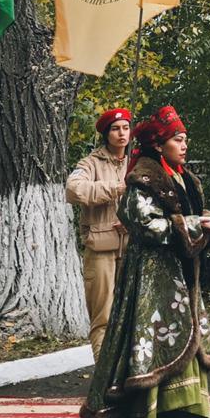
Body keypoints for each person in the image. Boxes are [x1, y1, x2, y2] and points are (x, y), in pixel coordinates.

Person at [81, 106, 210, 418]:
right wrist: (194, 224)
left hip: (180, 271)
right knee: (151, 339)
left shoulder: (184, 176)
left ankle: (173, 416)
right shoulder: (141, 178)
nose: (184, 144)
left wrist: (206, 222)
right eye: (178, 139)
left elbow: (184, 216)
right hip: (150, 273)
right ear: (159, 146)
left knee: (180, 335)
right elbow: (145, 225)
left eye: (185, 139)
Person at [66, 107, 132, 357]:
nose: (121, 133)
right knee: (103, 316)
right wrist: (115, 188)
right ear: (106, 133)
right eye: (115, 129)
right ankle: (104, 375)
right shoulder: (90, 163)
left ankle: (127, 374)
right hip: (101, 248)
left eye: (125, 128)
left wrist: (132, 220)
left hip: (132, 247)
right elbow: (74, 190)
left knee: (131, 315)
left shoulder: (136, 162)